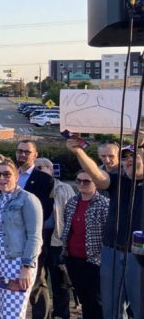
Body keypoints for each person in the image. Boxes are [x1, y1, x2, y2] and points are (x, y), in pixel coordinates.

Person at [68, 137, 143, 319]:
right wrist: (79, 151)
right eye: (125, 158)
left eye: (134, 157)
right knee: (110, 310)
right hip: (111, 251)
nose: (128, 161)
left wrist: (140, 143)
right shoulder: (119, 181)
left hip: (139, 256)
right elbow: (98, 176)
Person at [0, 156, 43, 319]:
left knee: (13, 312)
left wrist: (27, 266)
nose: (1, 178)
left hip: (17, 262)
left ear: (16, 176)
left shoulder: (28, 199)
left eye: (6, 174)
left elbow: (35, 236)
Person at [13, 141, 56, 319]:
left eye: (27, 152)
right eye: (20, 151)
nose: (22, 155)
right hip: (11, 239)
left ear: (35, 155)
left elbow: (45, 210)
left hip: (32, 237)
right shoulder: (10, 175)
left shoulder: (44, 180)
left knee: (37, 281)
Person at [59, 170, 108, 319]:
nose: (81, 184)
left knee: (97, 300)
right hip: (73, 258)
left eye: (86, 181)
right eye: (78, 180)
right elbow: (68, 226)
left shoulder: (104, 205)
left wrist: (100, 258)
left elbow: (108, 234)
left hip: (94, 261)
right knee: (84, 298)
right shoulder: (72, 202)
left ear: (96, 183)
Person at [34, 156, 76, 318]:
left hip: (57, 239)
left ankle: (61, 314)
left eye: (45, 167)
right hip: (37, 239)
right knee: (38, 280)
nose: (42, 169)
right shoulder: (30, 188)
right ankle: (41, 314)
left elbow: (72, 213)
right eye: (38, 167)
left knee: (60, 281)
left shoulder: (64, 188)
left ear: (52, 170)